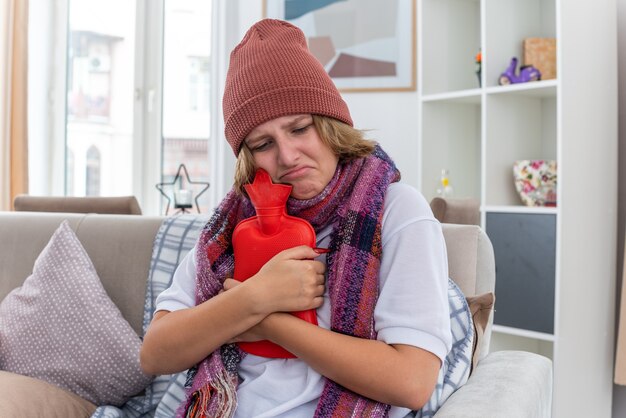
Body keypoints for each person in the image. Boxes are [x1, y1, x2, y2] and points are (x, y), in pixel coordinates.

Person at [140, 18, 452, 418]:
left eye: (300, 128)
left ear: (329, 124)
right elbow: (155, 353)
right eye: (263, 144)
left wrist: (269, 322)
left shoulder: (397, 210)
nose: (287, 156)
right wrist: (254, 297)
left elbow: (412, 382)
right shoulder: (234, 221)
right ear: (247, 157)